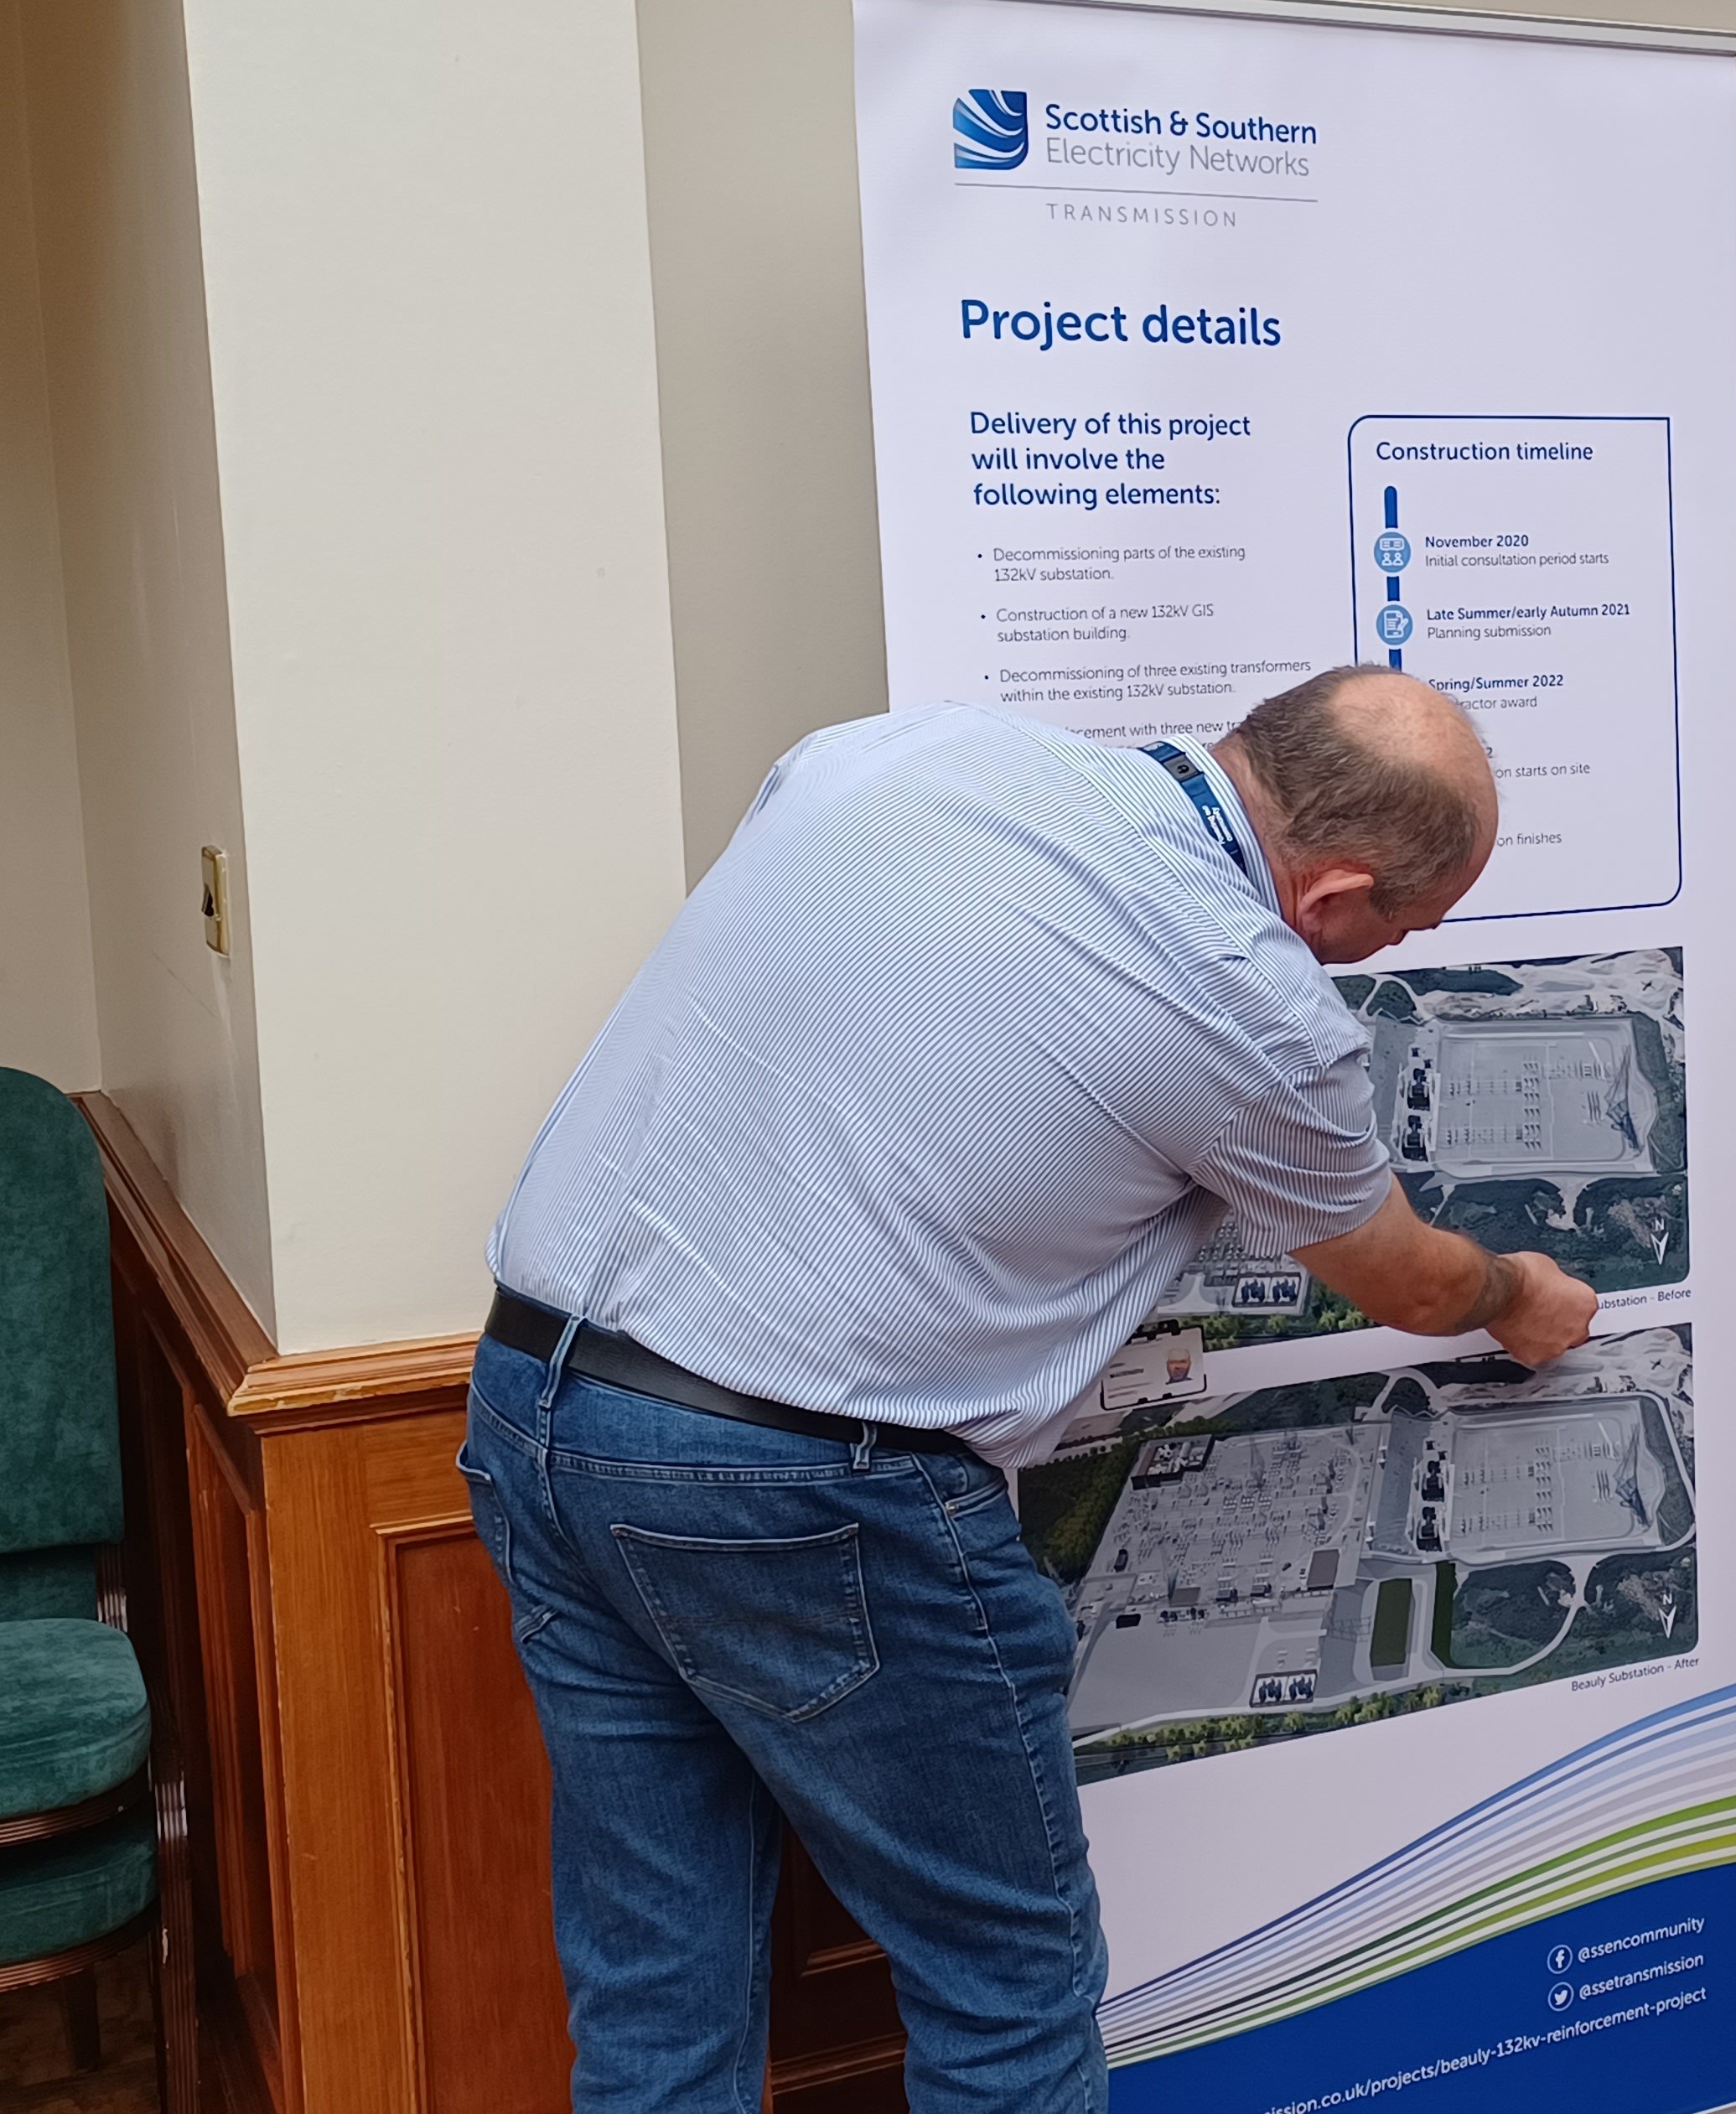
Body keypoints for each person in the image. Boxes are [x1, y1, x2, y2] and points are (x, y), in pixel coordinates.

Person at [464, 668, 1598, 2114]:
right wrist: (1520, 1294)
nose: (1370, 962)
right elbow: (1415, 1285)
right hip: (806, 1481)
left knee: (657, 1973)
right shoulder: (1251, 1001)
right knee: (1009, 1987)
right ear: (1335, 902)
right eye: (1398, 933)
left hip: (537, 1404)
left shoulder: (918, 749)